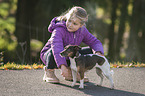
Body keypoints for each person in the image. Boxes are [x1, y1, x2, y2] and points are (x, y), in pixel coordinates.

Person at [40, 6, 104, 83]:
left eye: (74, 23)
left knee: (91, 51)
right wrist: (63, 67)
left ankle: (73, 71)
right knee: (52, 51)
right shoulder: (59, 29)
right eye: (69, 20)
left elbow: (94, 42)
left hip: (69, 56)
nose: (70, 25)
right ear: (67, 17)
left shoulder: (82, 31)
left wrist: (98, 53)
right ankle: (49, 71)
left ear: (81, 25)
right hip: (52, 55)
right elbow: (57, 47)